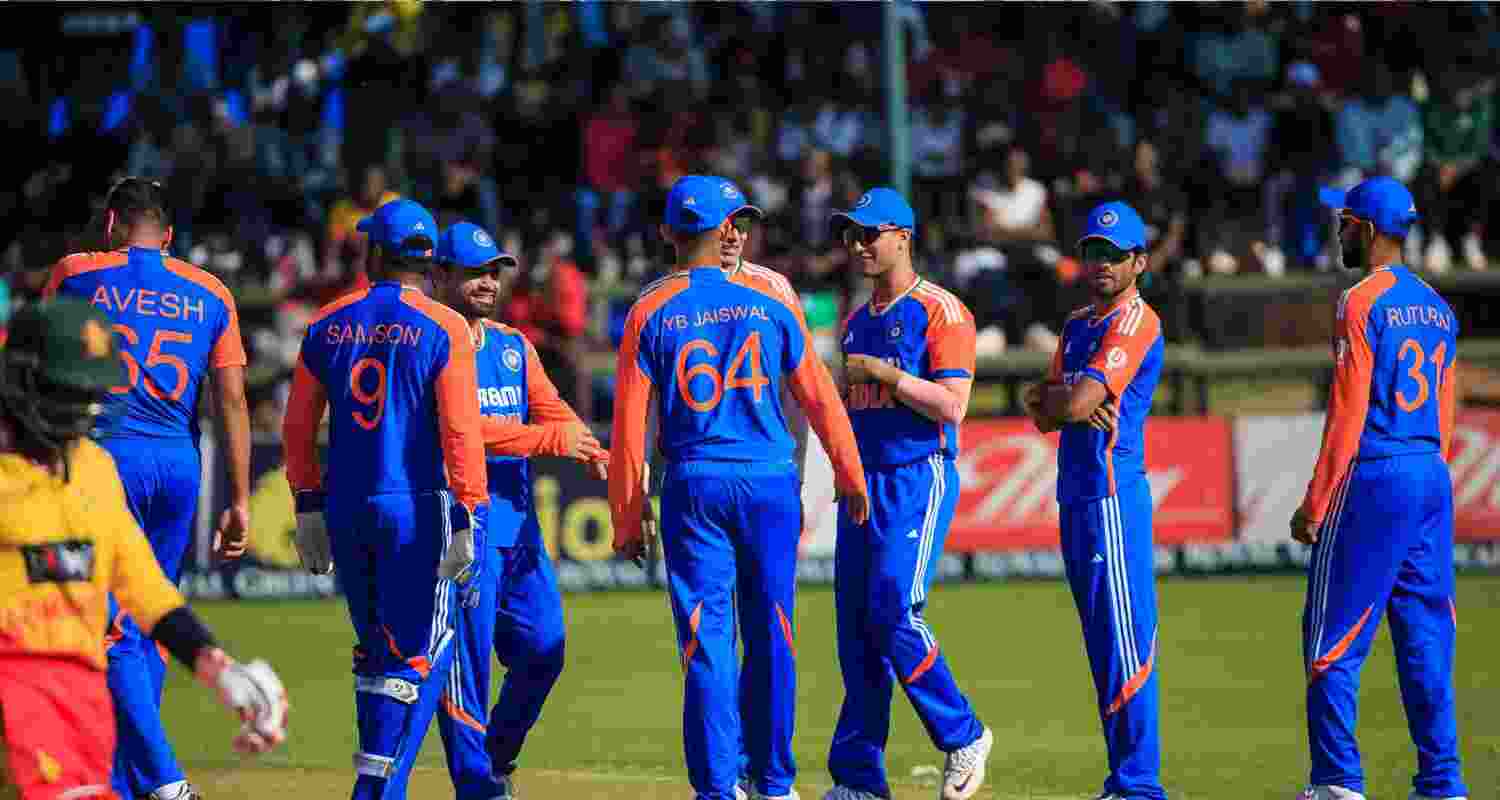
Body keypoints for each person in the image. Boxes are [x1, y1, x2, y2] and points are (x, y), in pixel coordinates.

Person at [610, 175, 869, 800]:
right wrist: (850, 471)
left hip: (695, 483)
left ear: (670, 234)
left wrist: (626, 512)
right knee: (773, 633)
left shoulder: (649, 308)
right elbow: (819, 397)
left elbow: (628, 425)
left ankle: (717, 789)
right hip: (769, 480)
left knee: (707, 642)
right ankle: (775, 784)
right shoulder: (772, 302)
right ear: (729, 231)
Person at [0, 298, 286, 800]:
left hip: (83, 700)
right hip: (15, 695)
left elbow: (144, 585)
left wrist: (216, 666)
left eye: (90, 394)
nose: (81, 411)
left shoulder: (93, 468)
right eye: (66, 393)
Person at [43, 177, 252, 800]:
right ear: (168, 235)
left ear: (111, 224)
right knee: (149, 622)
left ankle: (165, 782)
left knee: (107, 629)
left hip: (105, 460)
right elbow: (233, 398)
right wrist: (239, 499)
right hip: (179, 466)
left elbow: (41, 360)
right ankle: (123, 783)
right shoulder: (211, 291)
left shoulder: (78, 272)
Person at [281, 198, 490, 800]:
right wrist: (470, 511)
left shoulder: (327, 323)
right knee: (410, 655)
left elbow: (298, 427)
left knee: (375, 650)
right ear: (426, 260)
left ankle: (374, 780)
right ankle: (376, 787)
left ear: (376, 252)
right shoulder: (445, 326)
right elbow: (459, 430)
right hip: (415, 505)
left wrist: (306, 501)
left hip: (347, 504)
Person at [1290, 178, 1467, 800]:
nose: (1339, 232)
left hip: (1374, 471)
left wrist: (1317, 501)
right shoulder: (1440, 307)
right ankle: (1442, 784)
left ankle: (1337, 782)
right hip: (1429, 474)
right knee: (1425, 640)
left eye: (1344, 223)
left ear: (1365, 228)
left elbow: (1348, 410)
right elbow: (1447, 416)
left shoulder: (1359, 301)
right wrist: (1427, 481)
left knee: (1330, 638)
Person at [430, 222, 609, 800]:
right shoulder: (432, 341)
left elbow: (551, 408)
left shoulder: (512, 345)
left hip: (518, 530)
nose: (485, 283)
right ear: (440, 276)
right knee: (469, 672)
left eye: (492, 272)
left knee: (544, 648)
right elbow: (460, 430)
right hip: (461, 526)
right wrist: (549, 442)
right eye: (472, 272)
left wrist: (591, 446)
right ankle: (476, 787)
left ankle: (496, 762)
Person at [824, 188, 992, 800]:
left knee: (895, 609)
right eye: (852, 235)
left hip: (916, 472)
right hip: (861, 484)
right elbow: (848, 405)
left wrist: (888, 375)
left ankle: (964, 734)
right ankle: (859, 780)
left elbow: (954, 406)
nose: (860, 245)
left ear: (904, 237)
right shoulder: (855, 321)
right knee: (856, 632)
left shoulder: (942, 311)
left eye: (871, 233)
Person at [1024, 200, 1166, 800]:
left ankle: (1138, 785)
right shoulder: (1079, 323)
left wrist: (1065, 402)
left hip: (1111, 495)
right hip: (1075, 494)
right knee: (1101, 642)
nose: (1102, 263)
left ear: (1139, 261)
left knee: (1124, 640)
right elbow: (1041, 408)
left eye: (1115, 254)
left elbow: (1072, 405)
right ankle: (1123, 781)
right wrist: (1063, 401)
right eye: (1093, 252)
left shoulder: (1135, 321)